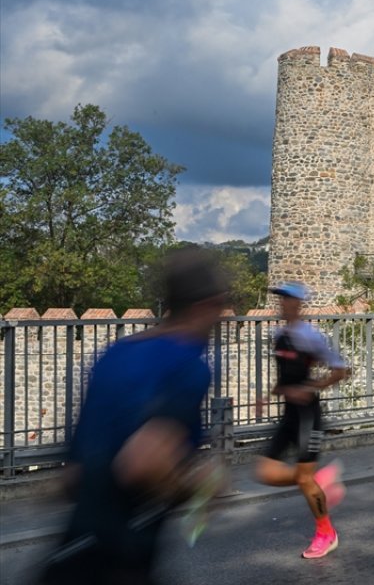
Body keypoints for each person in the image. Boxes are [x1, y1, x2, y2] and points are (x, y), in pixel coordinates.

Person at [40, 249, 230, 585]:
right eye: (221, 307)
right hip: (122, 557)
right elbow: (142, 463)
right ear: (204, 306)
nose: (224, 319)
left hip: (70, 551)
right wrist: (197, 486)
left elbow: (68, 480)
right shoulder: (187, 365)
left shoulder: (116, 352)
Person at [253, 282, 349, 559]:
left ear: (298, 304)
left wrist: (311, 388)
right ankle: (317, 480)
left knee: (305, 480)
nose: (282, 304)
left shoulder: (310, 336)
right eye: (280, 299)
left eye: (287, 299)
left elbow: (340, 370)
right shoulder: (279, 334)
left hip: (308, 414)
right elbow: (285, 377)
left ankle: (326, 533)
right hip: (288, 414)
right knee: (265, 472)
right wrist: (267, 397)